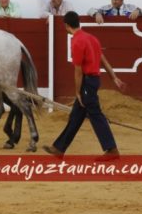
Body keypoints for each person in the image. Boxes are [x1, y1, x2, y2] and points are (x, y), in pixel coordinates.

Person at [42, 11, 126, 159]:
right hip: (93, 81)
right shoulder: (91, 38)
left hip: (87, 82)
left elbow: (78, 70)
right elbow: (103, 59)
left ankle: (112, 149)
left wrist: (78, 92)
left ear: (66, 25)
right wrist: (114, 77)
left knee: (95, 114)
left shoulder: (77, 41)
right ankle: (59, 148)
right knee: (76, 116)